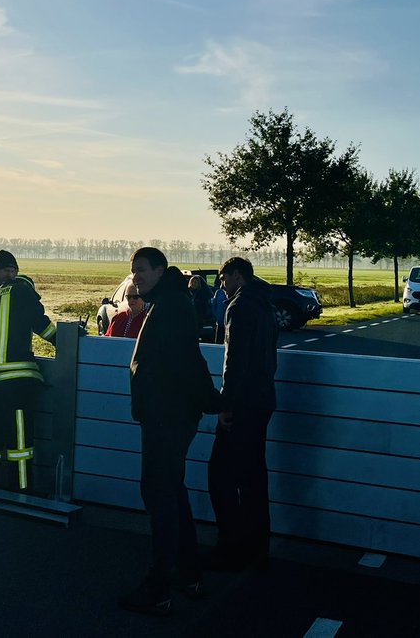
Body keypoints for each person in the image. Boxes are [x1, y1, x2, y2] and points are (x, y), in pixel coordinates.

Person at [118, 246, 221, 617]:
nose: (137, 277)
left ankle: (159, 587)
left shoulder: (172, 306)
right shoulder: (168, 302)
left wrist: (214, 403)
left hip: (168, 417)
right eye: (134, 271)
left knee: (159, 494)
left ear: (160, 270)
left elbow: (188, 361)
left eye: (142, 270)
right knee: (171, 492)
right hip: (166, 415)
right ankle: (189, 574)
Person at [207, 256, 278, 572]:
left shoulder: (238, 307)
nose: (221, 285)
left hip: (242, 403)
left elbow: (232, 363)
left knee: (220, 475)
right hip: (263, 398)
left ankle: (230, 546)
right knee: (253, 477)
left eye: (223, 279)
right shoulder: (266, 305)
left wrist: (225, 406)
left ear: (236, 276)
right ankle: (257, 546)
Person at [0, 265, 57, 493]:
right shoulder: (24, 292)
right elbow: (42, 325)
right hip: (19, 381)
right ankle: (21, 488)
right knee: (20, 440)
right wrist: (67, 341)